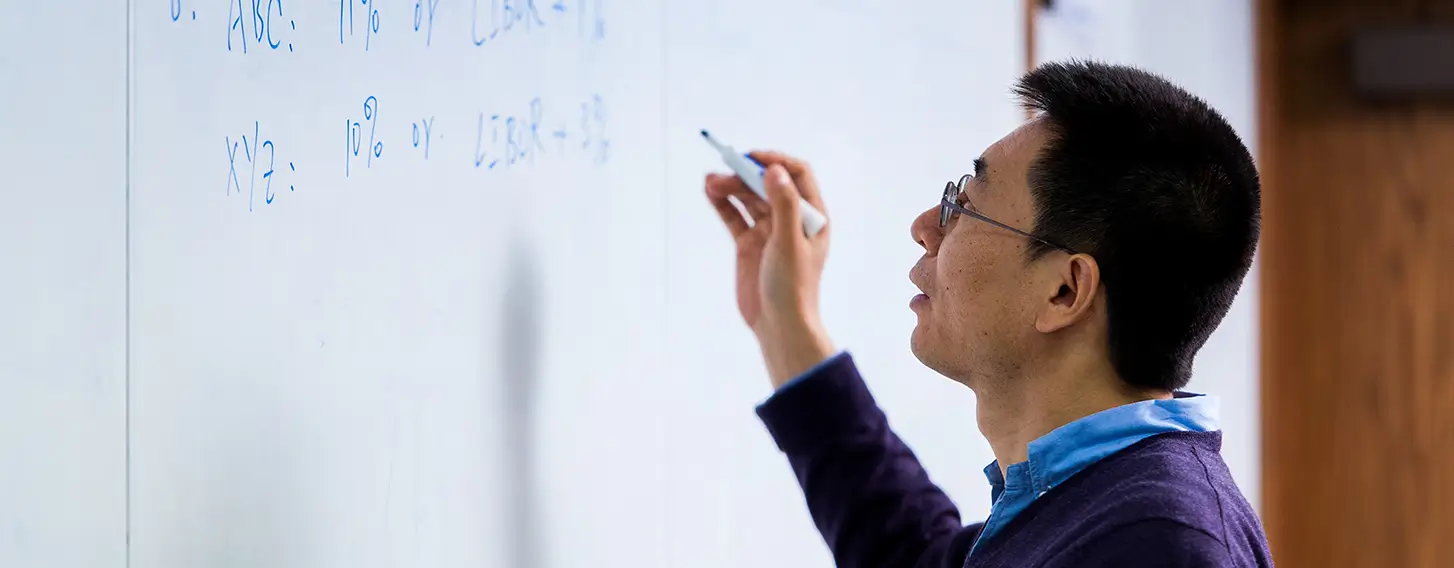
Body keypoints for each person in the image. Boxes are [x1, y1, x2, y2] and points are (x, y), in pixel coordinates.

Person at [702, 60, 1273, 567]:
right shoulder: (1101, 502)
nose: (926, 226)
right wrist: (787, 320)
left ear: (1064, 291)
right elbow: (911, 550)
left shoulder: (1163, 546)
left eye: (964, 205)